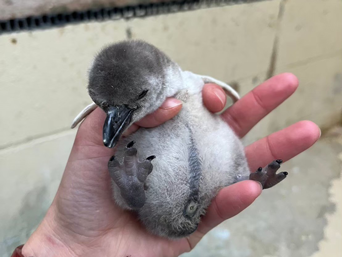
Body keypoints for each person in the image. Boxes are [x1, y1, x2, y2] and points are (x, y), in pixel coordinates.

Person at [15, 73, 320, 257]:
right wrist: (69, 245)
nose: (114, 120)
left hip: (185, 197)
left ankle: (242, 178)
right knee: (129, 172)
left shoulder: (178, 83)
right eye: (107, 108)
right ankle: (134, 192)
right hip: (152, 212)